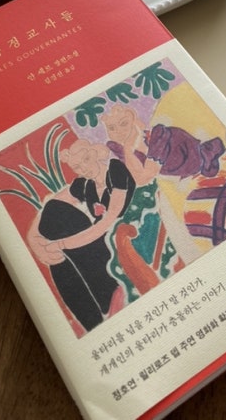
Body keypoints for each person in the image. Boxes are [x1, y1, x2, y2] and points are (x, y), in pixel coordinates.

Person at [27, 137, 134, 333]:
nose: (84, 168)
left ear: (94, 154)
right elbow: (50, 206)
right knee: (53, 210)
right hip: (96, 243)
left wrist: (61, 244)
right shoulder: (85, 185)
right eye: (77, 166)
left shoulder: (115, 171)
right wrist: (33, 240)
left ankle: (108, 294)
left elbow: (107, 223)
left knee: (59, 231)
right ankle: (94, 323)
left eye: (86, 160)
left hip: (121, 237)